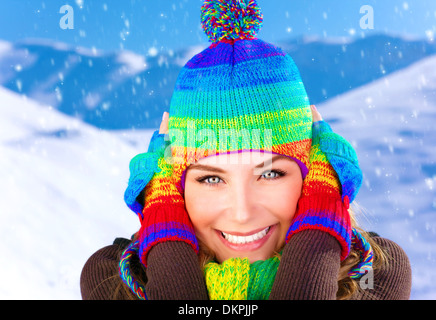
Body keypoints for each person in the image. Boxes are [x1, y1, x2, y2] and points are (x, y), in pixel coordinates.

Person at [80, 0, 411, 300]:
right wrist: (164, 222)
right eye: (210, 179)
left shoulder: (374, 272)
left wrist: (320, 224)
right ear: (173, 186)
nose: (242, 213)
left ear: (312, 171)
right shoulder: (112, 278)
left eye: (270, 173)